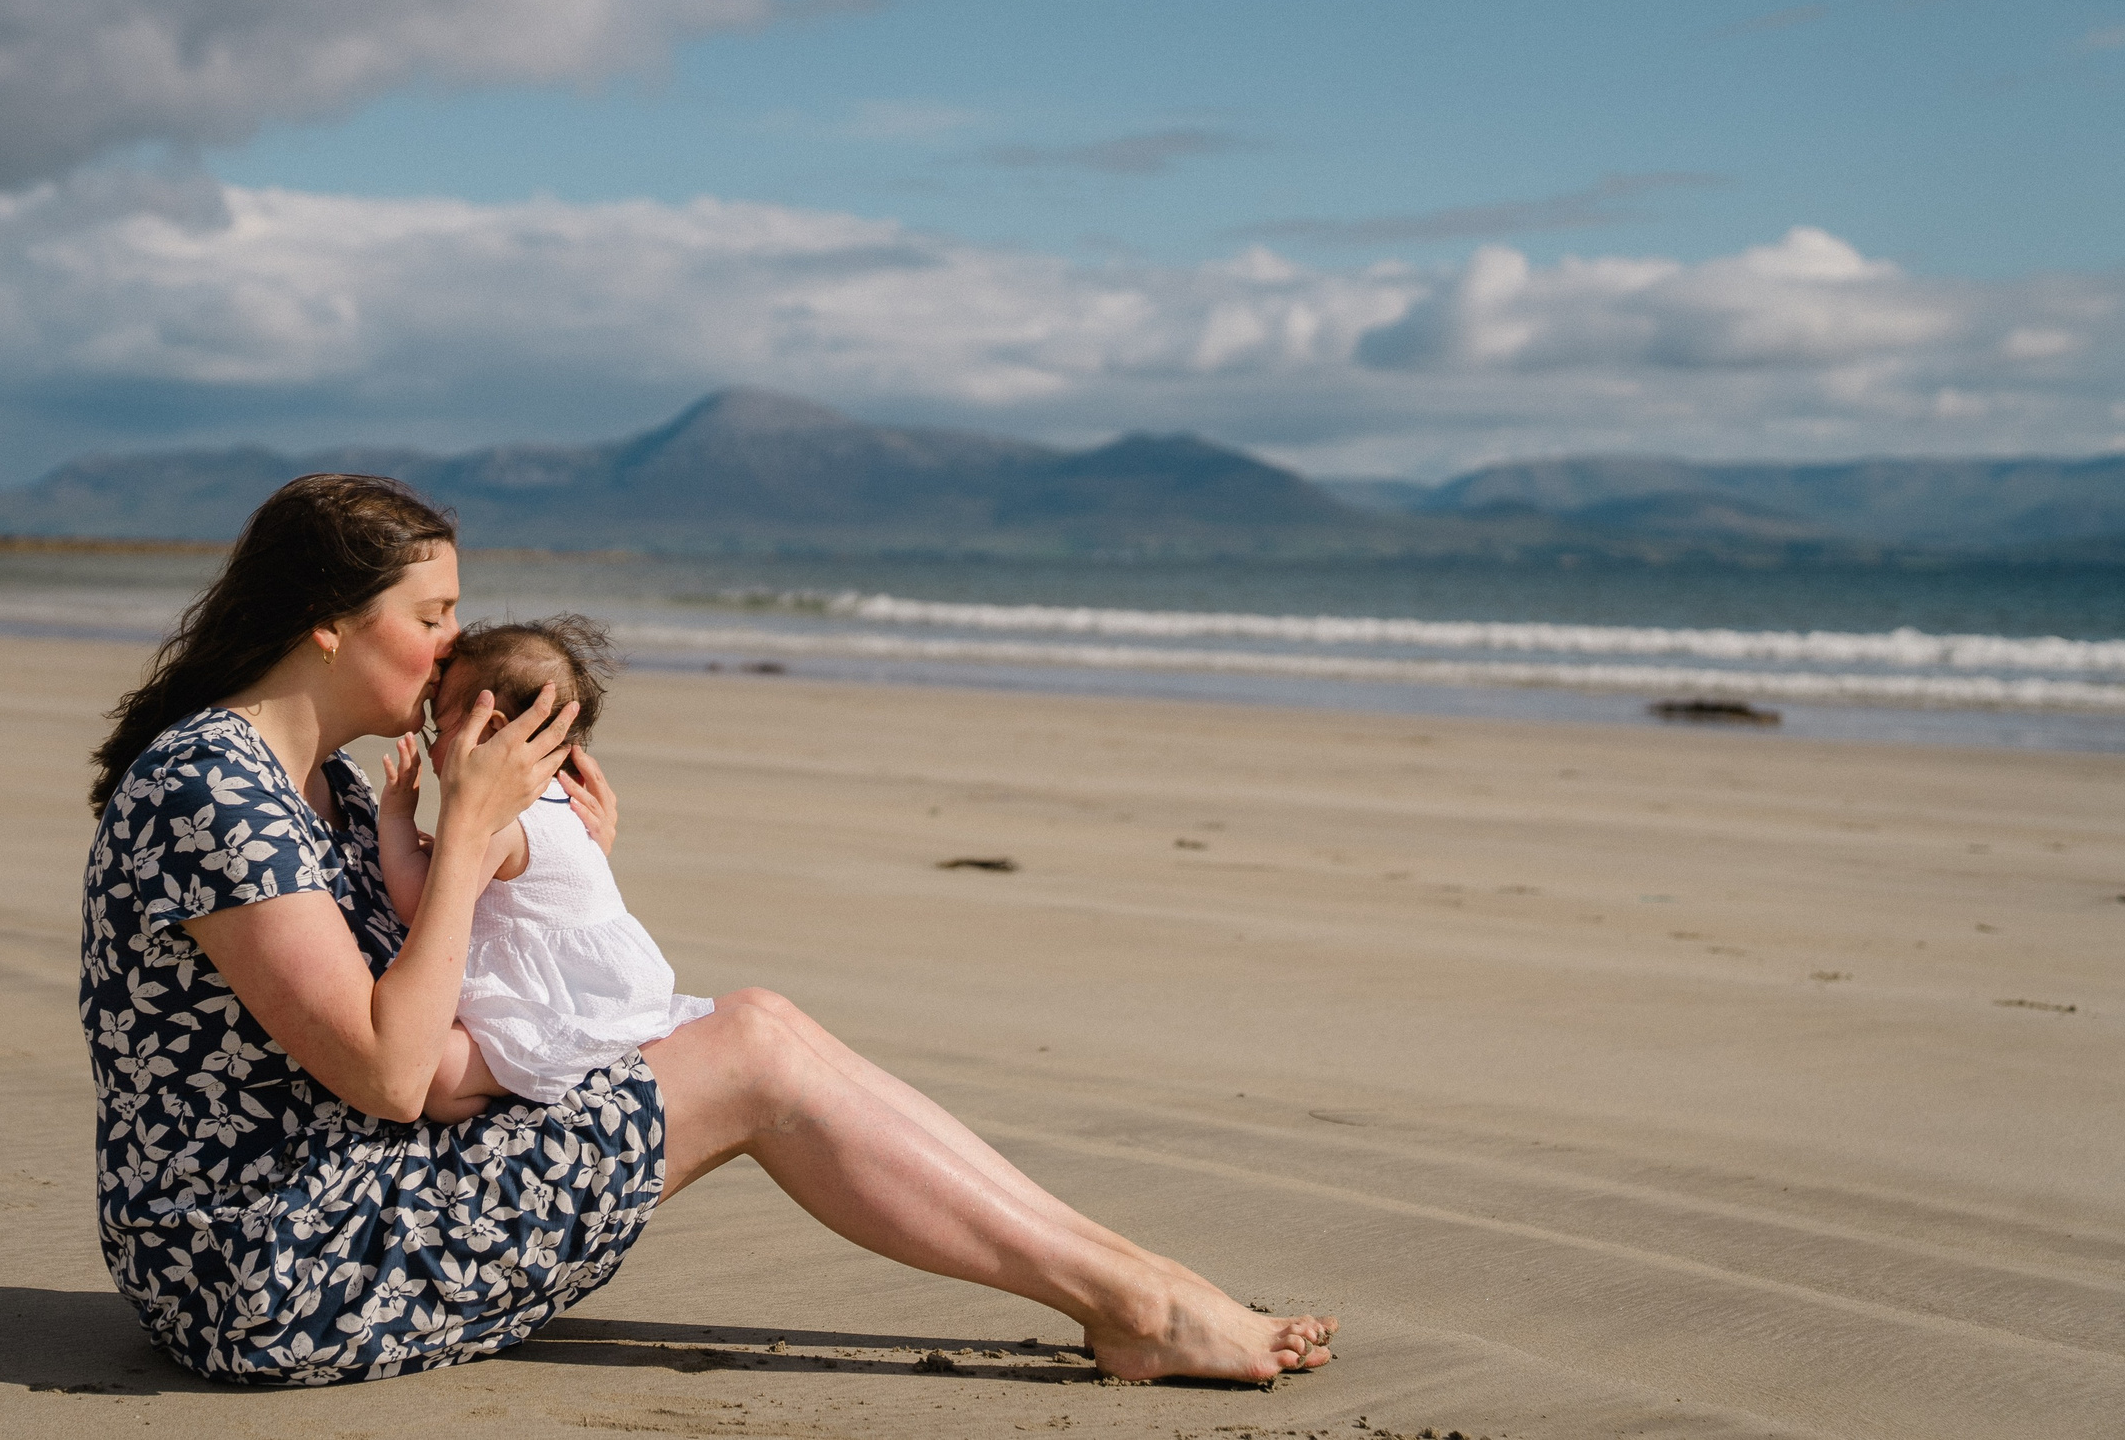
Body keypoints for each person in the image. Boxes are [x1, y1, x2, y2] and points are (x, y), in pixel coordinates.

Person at [79, 472, 1336, 1387]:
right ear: (327, 620)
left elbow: (441, 995)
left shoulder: (326, 787)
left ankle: (1136, 1284)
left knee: (761, 1022)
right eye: (431, 615)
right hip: (282, 1271)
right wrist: (467, 845)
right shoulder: (211, 787)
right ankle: (1137, 1307)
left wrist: (552, 875)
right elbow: (389, 1073)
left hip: (351, 1197)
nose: (456, 643)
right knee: (754, 1056)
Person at [368, 615, 715, 1124]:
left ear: (492, 731)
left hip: (557, 1007)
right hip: (598, 989)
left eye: (439, 730)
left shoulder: (501, 822)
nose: (432, 748)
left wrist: (395, 819)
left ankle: (513, 1104)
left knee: (440, 1077)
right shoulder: (557, 798)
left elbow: (419, 903)